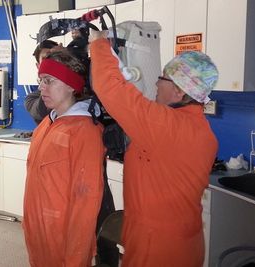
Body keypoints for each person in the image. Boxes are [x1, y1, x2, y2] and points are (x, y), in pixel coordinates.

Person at [90, 31, 219, 267]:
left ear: (180, 91)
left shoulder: (166, 126)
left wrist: (98, 44)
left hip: (156, 248)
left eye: (163, 78)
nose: (157, 83)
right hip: (185, 243)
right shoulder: (201, 131)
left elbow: (108, 86)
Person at [22, 50, 105, 267]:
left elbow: (85, 205)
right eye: (41, 81)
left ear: (71, 85)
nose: (41, 87)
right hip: (39, 233)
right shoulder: (46, 124)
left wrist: (76, 258)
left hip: (63, 241)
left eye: (48, 81)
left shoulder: (84, 132)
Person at [24, 40, 59, 124]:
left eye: (53, 58)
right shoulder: (31, 99)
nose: (50, 62)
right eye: (45, 59)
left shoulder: (72, 91)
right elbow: (41, 111)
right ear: (38, 66)